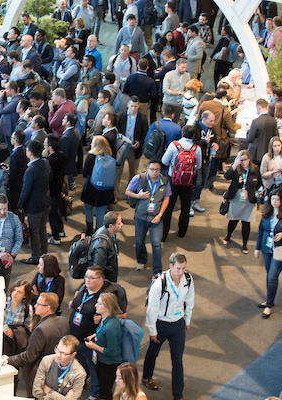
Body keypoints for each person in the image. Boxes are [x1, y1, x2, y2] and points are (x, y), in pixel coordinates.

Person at [68, 266, 128, 400]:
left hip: (92, 343)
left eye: (91, 278)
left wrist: (102, 319)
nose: (87, 280)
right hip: (77, 337)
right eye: (86, 277)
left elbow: (121, 314)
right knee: (81, 363)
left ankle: (95, 393)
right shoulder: (84, 287)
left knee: (94, 368)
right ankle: (82, 382)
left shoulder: (109, 295)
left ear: (101, 279)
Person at [142, 252, 195, 400]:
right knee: (153, 352)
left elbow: (190, 300)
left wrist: (187, 320)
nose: (181, 272)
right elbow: (152, 309)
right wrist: (152, 330)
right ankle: (146, 377)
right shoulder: (160, 284)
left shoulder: (188, 279)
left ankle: (178, 395)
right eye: (178, 268)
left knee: (177, 360)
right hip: (162, 324)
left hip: (178, 324)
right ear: (170, 266)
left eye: (183, 268)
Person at [3, 292, 69, 398]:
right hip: (55, 373)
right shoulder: (63, 321)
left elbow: (29, 356)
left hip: (38, 377)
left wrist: (8, 359)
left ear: (47, 308)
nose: (35, 306)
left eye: (38, 304)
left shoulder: (41, 330)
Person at [126, 160, 171, 275]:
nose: (154, 172)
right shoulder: (139, 178)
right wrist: (138, 196)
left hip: (156, 218)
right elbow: (128, 191)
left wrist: (160, 215)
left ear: (160, 170)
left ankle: (157, 270)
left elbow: (166, 198)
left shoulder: (164, 181)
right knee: (139, 241)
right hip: (140, 216)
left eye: (157, 170)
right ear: (147, 169)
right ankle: (141, 261)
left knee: (156, 245)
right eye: (152, 169)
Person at [161, 126, 202, 241]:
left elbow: (164, 161)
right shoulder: (196, 148)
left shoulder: (174, 145)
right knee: (185, 207)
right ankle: (182, 232)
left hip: (173, 180)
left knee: (168, 207)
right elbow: (199, 166)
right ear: (193, 136)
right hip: (188, 182)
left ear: (182, 133)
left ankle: (164, 234)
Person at [83, 292, 123, 400]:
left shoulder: (111, 327)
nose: (96, 305)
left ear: (108, 307)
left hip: (108, 363)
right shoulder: (105, 318)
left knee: (105, 391)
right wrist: (95, 335)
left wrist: (94, 346)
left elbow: (112, 351)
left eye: (99, 304)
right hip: (101, 359)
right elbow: (101, 331)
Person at [18, 140, 52, 265]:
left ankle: (35, 257)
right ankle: (44, 253)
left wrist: (20, 205)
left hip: (35, 205)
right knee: (42, 228)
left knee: (34, 231)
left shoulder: (30, 170)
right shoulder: (45, 162)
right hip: (46, 201)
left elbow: (26, 190)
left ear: (30, 153)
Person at [223, 150, 263, 253]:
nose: (243, 162)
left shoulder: (255, 169)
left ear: (249, 159)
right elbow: (226, 177)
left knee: (246, 222)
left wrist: (257, 191)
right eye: (240, 160)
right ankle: (228, 236)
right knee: (233, 220)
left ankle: (245, 244)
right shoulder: (236, 168)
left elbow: (259, 183)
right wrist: (234, 165)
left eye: (245, 159)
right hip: (237, 197)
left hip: (249, 198)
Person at [32, 335, 87, 400]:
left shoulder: (80, 373)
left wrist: (49, 391)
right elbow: (36, 391)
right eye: (57, 349)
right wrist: (64, 398)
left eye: (63, 353)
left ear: (73, 354)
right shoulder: (47, 361)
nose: (58, 355)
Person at [115, 97, 149, 199]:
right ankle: (115, 195)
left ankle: (130, 195)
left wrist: (140, 143)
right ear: (128, 105)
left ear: (138, 106)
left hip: (134, 149)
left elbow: (145, 134)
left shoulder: (142, 118)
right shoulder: (121, 116)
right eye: (131, 106)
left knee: (133, 173)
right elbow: (116, 130)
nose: (133, 108)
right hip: (122, 148)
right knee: (118, 172)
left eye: (135, 106)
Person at [256, 189, 282, 319]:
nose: (274, 201)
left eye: (277, 199)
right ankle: (269, 299)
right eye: (272, 199)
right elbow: (260, 230)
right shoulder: (266, 213)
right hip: (267, 249)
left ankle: (269, 305)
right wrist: (257, 248)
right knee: (269, 275)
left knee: (272, 276)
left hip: (279, 251)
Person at [81, 136, 115, 234]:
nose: (91, 144)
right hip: (106, 189)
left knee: (88, 208)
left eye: (92, 143)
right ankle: (99, 232)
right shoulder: (110, 157)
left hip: (91, 188)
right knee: (100, 212)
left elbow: (84, 173)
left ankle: (89, 229)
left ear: (96, 145)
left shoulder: (91, 157)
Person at [44, 135, 67, 244]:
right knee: (56, 210)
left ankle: (56, 237)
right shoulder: (61, 155)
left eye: (45, 144)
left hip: (51, 190)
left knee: (52, 213)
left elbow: (47, 175)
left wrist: (45, 158)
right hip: (59, 187)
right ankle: (60, 230)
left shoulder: (50, 161)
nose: (44, 146)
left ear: (50, 147)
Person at [89, 212, 123, 282]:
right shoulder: (101, 244)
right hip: (106, 281)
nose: (122, 225)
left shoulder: (108, 233)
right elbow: (98, 269)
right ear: (111, 226)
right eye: (119, 223)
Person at [3, 280, 34, 356]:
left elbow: (27, 329)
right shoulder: (3, 303)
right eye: (14, 290)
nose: (15, 293)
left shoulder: (27, 308)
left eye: (19, 292)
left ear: (25, 295)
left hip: (13, 343)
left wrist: (14, 332)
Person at [247, 99, 279, 168]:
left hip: (256, 154)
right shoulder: (273, 121)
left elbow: (250, 138)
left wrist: (248, 130)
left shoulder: (256, 121)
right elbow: (276, 137)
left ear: (259, 107)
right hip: (269, 152)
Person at [162, 58, 190, 123]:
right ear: (177, 66)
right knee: (166, 122)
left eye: (185, 67)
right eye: (182, 67)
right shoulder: (169, 75)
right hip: (168, 102)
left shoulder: (187, 76)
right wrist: (179, 93)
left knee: (175, 122)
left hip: (179, 104)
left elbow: (187, 90)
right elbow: (165, 90)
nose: (184, 70)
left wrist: (184, 101)